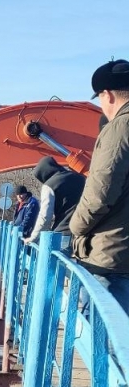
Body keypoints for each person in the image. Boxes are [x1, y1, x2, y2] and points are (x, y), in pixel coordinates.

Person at [69, 59, 129, 313]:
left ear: (107, 95)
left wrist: (75, 227)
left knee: (106, 344)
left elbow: (100, 192)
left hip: (112, 258)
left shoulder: (119, 128)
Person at [23, 157, 86, 245]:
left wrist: (33, 238)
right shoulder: (80, 178)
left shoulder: (49, 185)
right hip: (85, 233)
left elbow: (45, 216)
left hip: (64, 233)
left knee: (56, 258)